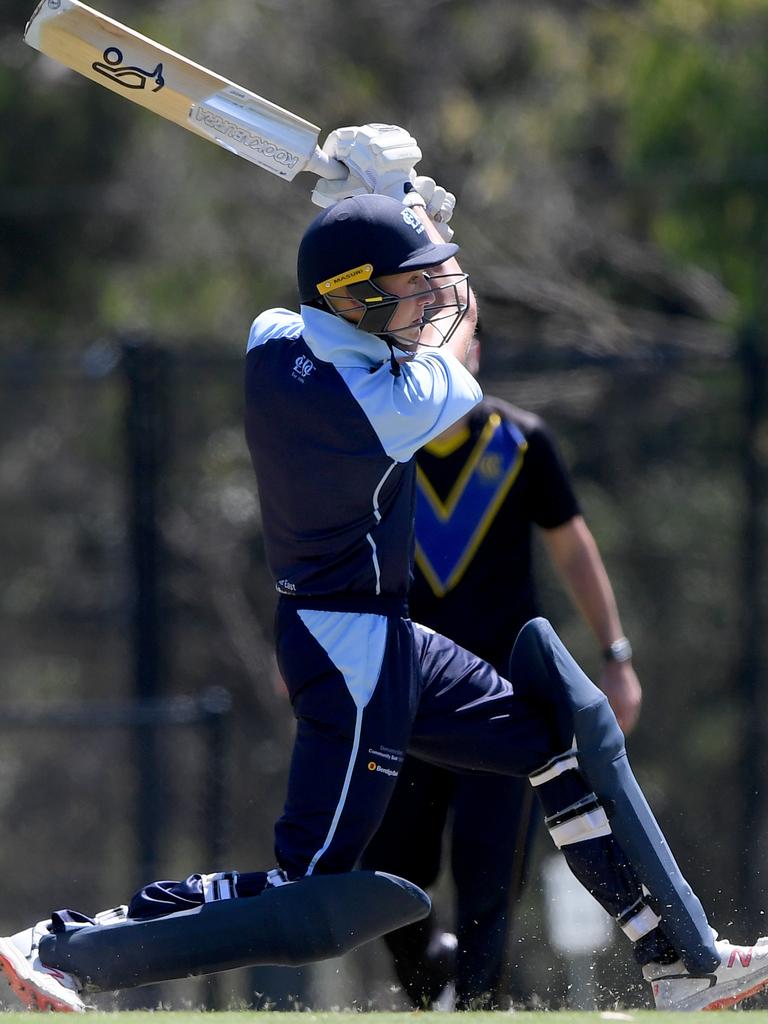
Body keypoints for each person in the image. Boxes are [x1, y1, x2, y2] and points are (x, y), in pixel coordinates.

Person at [1, 125, 766, 1015]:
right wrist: (406, 210)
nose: (429, 301)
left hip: (385, 634)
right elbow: (461, 336)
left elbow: (329, 289)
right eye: (408, 290)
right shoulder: (383, 405)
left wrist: (373, 213)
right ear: (356, 301)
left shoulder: (272, 338)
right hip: (351, 650)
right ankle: (65, 947)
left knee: (562, 738)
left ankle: (681, 960)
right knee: (309, 894)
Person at [361, 358, 642, 1009]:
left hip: (502, 706)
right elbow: (328, 551)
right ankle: (442, 992)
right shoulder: (380, 442)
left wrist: (616, 655)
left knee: (489, 874)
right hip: (403, 702)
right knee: (391, 867)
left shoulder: (520, 441)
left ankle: (482, 1004)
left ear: (475, 351)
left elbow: (572, 547)